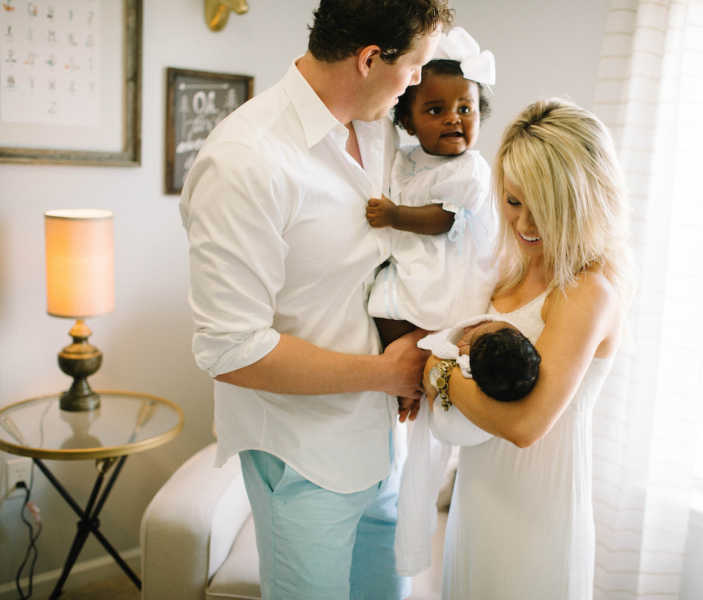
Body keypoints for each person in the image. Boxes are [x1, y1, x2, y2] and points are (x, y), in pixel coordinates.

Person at [178, 2, 452, 599]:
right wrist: (383, 372)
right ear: (369, 58)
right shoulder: (245, 162)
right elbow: (231, 349)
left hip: (384, 443)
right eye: (413, 66)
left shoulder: (380, 130)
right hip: (302, 455)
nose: (417, 81)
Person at [424, 98, 633, 599]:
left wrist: (438, 372)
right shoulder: (506, 268)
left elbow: (524, 425)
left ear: (584, 201)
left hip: (539, 516)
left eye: (544, 207)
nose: (524, 224)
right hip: (477, 502)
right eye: (514, 201)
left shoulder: (587, 291)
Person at [365, 27, 499, 354]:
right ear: (409, 123)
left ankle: (418, 364)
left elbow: (445, 219)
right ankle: (400, 365)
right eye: (436, 110)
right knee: (381, 310)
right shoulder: (405, 159)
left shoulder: (470, 170)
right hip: (411, 261)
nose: (453, 119)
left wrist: (395, 215)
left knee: (432, 322)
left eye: (465, 109)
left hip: (446, 270)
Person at [394, 315, 540, 576]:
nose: (463, 342)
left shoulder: (471, 363)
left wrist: (441, 367)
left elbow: (435, 362)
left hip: (472, 433)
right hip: (477, 463)